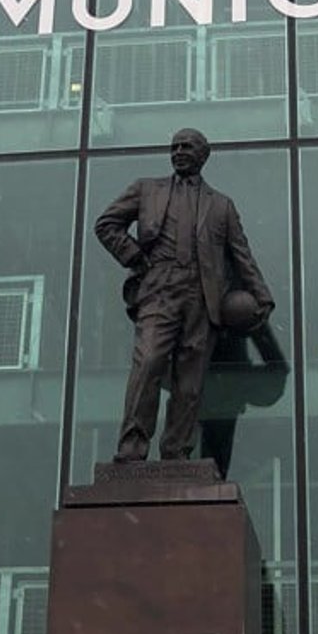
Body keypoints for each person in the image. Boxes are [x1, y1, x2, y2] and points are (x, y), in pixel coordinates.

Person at [94, 128, 275, 463]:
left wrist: (261, 297)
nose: (178, 152)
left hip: (201, 297)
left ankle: (176, 452)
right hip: (159, 288)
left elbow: (241, 255)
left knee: (189, 384)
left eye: (187, 147)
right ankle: (132, 447)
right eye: (174, 146)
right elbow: (106, 224)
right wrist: (133, 256)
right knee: (147, 363)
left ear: (203, 155)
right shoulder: (146, 189)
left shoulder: (221, 205)